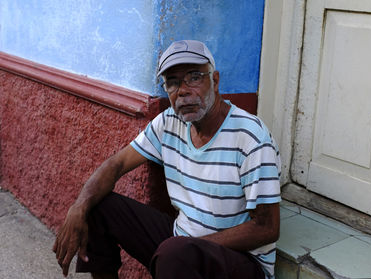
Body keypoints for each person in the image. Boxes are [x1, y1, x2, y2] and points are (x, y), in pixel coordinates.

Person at [53, 40, 281, 279]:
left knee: (176, 252)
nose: (182, 90)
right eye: (172, 82)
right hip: (181, 243)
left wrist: (194, 246)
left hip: (241, 262)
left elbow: (266, 228)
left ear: (214, 81)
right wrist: (78, 208)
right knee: (98, 204)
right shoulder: (169, 122)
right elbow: (116, 164)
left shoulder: (251, 137)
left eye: (194, 78)